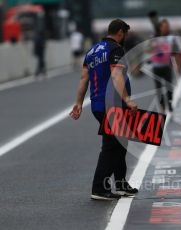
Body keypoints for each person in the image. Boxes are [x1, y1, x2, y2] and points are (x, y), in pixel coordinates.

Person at [69, 19, 138, 201]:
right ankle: (99, 188)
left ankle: (121, 184)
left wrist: (78, 103)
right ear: (121, 32)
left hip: (98, 105)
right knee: (110, 146)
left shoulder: (92, 51)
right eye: (125, 34)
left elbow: (84, 78)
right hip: (112, 105)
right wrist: (128, 100)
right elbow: (116, 75)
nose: (125, 38)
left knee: (120, 143)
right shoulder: (115, 49)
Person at [150, 19, 180, 112]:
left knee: (169, 87)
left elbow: (176, 52)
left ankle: (170, 104)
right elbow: (148, 49)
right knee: (159, 88)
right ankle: (162, 106)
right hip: (156, 67)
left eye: (167, 26)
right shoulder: (153, 37)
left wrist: (178, 65)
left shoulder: (171, 38)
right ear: (160, 27)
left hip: (167, 66)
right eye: (164, 26)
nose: (166, 28)